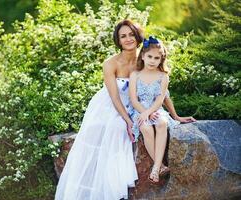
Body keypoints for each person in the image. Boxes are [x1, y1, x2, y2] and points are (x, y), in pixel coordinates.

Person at [55, 20, 195, 199]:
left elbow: (161, 90)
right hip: (114, 105)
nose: (128, 39)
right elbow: (114, 97)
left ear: (138, 36)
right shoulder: (110, 64)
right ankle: (109, 185)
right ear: (118, 40)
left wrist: (175, 115)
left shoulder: (146, 57)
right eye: (123, 36)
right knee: (117, 129)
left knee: (157, 123)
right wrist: (129, 121)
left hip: (142, 104)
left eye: (131, 34)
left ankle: (157, 165)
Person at [129, 36, 180, 184]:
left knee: (162, 123)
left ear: (161, 60)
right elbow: (133, 99)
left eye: (156, 58)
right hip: (140, 110)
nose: (152, 60)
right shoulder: (135, 75)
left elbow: (160, 99)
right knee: (146, 127)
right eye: (149, 56)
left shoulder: (163, 76)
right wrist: (145, 113)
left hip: (156, 109)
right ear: (143, 56)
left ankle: (155, 168)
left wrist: (151, 111)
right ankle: (161, 166)